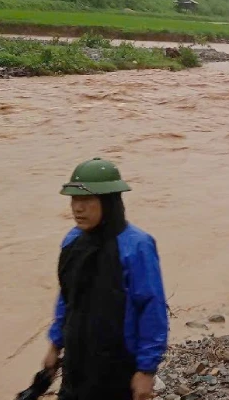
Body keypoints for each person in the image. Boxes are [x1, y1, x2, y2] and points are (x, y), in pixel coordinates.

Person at [43, 158, 169, 400]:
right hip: (77, 361)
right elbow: (67, 298)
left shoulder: (137, 246)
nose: (77, 208)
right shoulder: (72, 241)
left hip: (118, 365)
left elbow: (152, 307)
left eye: (86, 200)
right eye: (74, 200)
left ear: (109, 201)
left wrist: (146, 370)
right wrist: (55, 344)